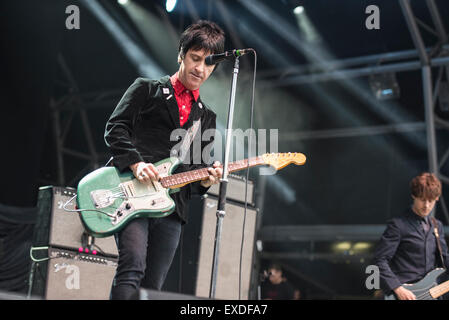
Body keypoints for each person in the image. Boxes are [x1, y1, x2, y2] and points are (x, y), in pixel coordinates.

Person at [104, 20, 225, 300]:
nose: (200, 69)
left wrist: (206, 180)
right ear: (181, 54)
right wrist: (136, 163)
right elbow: (115, 128)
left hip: (172, 208)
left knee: (153, 284)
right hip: (132, 192)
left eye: (208, 64)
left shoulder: (207, 117)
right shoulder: (147, 89)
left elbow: (194, 173)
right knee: (132, 265)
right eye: (195, 59)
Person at [374, 172, 449, 300]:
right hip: (403, 293)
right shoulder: (398, 225)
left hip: (431, 293)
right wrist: (397, 288)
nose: (426, 205)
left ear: (437, 198)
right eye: (422, 200)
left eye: (430, 200)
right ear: (413, 196)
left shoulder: (437, 226)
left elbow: (445, 258)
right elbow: (379, 260)